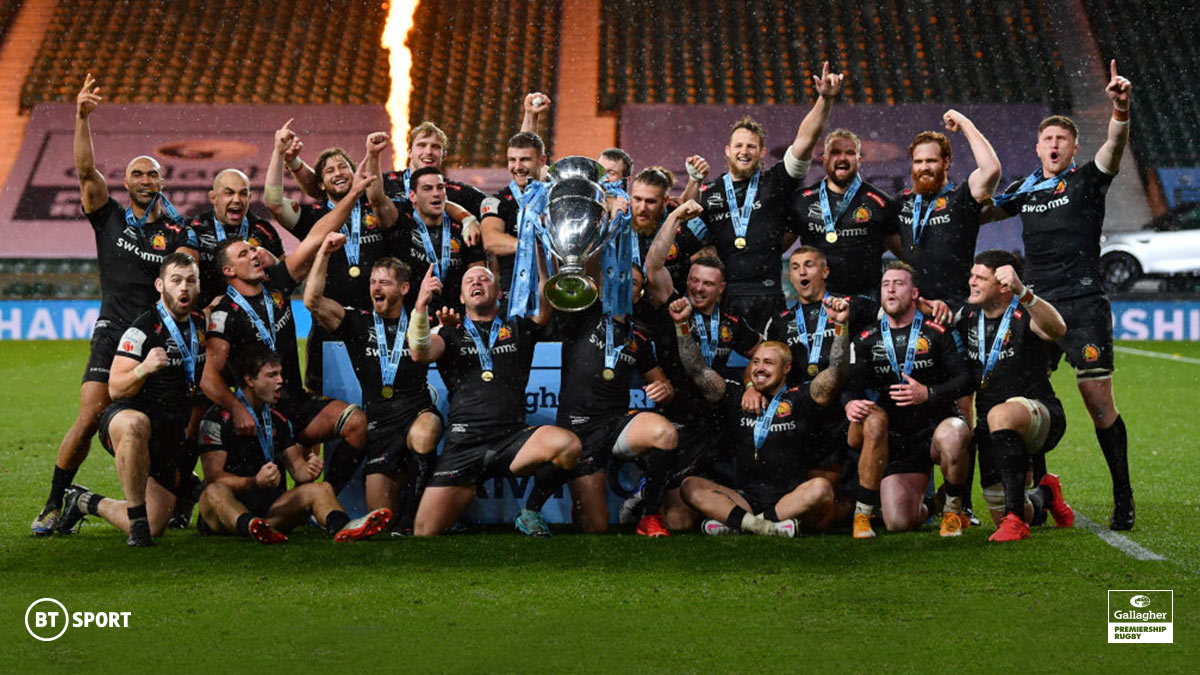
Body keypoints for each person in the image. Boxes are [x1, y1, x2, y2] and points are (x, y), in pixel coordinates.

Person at [33, 74, 199, 536]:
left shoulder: (177, 233)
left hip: (160, 337)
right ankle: (54, 501)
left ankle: (172, 498)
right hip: (113, 333)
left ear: (162, 181)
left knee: (176, 420)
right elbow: (86, 172)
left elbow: (197, 273)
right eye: (138, 174)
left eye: (153, 174)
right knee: (89, 418)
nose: (146, 179)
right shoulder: (108, 217)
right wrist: (82, 117)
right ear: (125, 182)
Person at [987, 61, 1135, 530]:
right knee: (1022, 396)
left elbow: (1114, 146)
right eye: (1047, 139)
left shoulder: (1088, 180)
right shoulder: (1024, 191)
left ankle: (1123, 497)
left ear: (1073, 147)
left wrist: (1120, 108)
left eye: (1062, 140)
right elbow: (981, 213)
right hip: (1034, 305)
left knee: (1097, 404)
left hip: (1083, 304)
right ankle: (1039, 487)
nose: (1053, 145)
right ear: (1037, 148)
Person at [201, 166, 376, 494]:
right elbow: (208, 376)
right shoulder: (224, 314)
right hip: (259, 412)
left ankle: (328, 496)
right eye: (244, 254)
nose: (255, 254)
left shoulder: (278, 284)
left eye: (254, 249)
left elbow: (316, 235)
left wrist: (353, 195)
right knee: (273, 490)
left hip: (294, 401)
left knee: (357, 423)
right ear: (228, 270)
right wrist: (239, 409)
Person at [407, 263, 581, 537]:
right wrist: (420, 304)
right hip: (464, 444)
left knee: (568, 445)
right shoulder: (448, 332)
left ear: (499, 292)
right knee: (424, 532)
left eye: (484, 279)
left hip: (510, 441)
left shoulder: (518, 328)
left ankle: (531, 512)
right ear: (462, 297)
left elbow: (545, 302)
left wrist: (539, 253)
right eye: (469, 280)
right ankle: (457, 504)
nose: (477, 282)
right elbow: (419, 353)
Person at [671, 290, 852, 536]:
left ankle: (740, 524)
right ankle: (763, 526)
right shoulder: (736, 396)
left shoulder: (801, 397)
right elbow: (697, 371)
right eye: (755, 362)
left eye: (768, 362)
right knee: (690, 487)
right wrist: (682, 325)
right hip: (744, 498)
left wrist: (840, 325)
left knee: (821, 489)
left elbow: (836, 373)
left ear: (787, 368)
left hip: (790, 499)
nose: (759, 368)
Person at [56, 254, 205, 546]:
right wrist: (143, 368)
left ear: (199, 285)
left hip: (168, 436)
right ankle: (137, 524)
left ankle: (84, 501)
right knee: (136, 423)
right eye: (176, 281)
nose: (184, 287)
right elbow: (115, 388)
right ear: (160, 285)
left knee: (158, 525)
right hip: (126, 419)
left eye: (190, 280)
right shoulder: (142, 329)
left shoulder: (201, 325)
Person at [305, 238, 441, 535]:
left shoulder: (419, 323)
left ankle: (410, 523)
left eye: (384, 283)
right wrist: (324, 254)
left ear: (404, 289)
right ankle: (406, 514)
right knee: (381, 516)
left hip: (416, 415)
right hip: (380, 428)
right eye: (373, 282)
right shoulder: (357, 323)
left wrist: (422, 307)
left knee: (426, 429)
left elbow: (428, 346)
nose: (375, 288)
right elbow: (312, 301)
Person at [693, 62, 842, 329]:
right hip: (723, 298)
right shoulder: (709, 192)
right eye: (738, 145)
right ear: (727, 150)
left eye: (751, 146)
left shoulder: (776, 181)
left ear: (762, 152)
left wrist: (825, 99)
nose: (744, 151)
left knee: (773, 365)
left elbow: (805, 139)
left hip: (770, 296)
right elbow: (685, 233)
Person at [196, 345, 392, 543]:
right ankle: (250, 526)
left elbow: (297, 470)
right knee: (213, 491)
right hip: (225, 512)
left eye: (280, 374)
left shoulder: (277, 418)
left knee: (321, 488)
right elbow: (214, 478)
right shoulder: (215, 418)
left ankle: (344, 528)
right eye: (272, 375)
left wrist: (310, 469)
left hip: (270, 511)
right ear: (249, 380)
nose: (280, 381)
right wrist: (253, 481)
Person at [843, 262, 974, 538]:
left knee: (956, 433)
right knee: (898, 523)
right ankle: (931, 505)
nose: (890, 289)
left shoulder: (938, 332)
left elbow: (965, 380)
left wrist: (929, 394)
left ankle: (953, 510)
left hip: (935, 430)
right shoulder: (866, 339)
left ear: (914, 293)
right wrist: (850, 403)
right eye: (885, 284)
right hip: (895, 439)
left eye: (898, 284)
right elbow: (850, 387)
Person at [264, 123, 397, 393]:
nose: (338, 173)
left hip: (377, 323)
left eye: (343, 166)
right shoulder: (313, 217)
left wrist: (371, 160)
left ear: (355, 172)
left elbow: (379, 195)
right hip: (327, 326)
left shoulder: (376, 207)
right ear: (320, 184)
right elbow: (274, 203)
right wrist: (280, 153)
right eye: (329, 170)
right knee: (326, 398)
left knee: (379, 396)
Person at [956, 251, 1075, 542]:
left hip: (1041, 415)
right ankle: (1045, 494)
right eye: (972, 275)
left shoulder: (1024, 314)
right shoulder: (967, 317)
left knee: (1001, 412)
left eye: (980, 278)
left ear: (1003, 286)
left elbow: (1058, 329)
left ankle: (1016, 522)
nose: (971, 282)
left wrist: (1024, 293)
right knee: (999, 510)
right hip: (992, 427)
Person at [553, 265, 679, 536]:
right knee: (595, 527)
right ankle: (582, 500)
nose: (625, 285)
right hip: (579, 432)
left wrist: (664, 390)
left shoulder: (640, 336)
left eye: (633, 283)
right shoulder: (583, 314)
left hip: (615, 427)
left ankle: (650, 515)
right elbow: (579, 274)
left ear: (638, 295)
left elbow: (662, 383)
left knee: (665, 433)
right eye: (618, 278)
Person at [894, 110, 1001, 308]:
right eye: (918, 161)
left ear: (946, 162)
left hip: (957, 306)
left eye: (931, 161)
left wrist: (965, 123)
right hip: (914, 308)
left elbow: (991, 169)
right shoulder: (902, 201)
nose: (924, 167)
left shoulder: (961, 197)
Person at [789, 129, 900, 298]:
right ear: (824, 159)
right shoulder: (802, 201)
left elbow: (906, 254)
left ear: (859, 160)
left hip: (866, 304)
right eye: (835, 153)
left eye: (849, 153)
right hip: (818, 306)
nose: (842, 158)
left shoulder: (881, 203)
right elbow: (775, 250)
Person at [390, 166, 487, 314]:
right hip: (409, 319)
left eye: (440, 188)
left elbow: (479, 276)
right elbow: (377, 200)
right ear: (412, 196)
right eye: (427, 188)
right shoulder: (401, 224)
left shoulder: (464, 230)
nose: (436, 193)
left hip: (456, 319)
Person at [192, 169, 286, 310]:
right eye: (229, 193)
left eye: (243, 193)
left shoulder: (264, 230)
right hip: (207, 319)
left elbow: (287, 280)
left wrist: (276, 263)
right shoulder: (195, 229)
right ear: (213, 197)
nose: (236, 200)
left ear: (249, 197)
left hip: (257, 318)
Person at [479, 131, 549, 292]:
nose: (517, 167)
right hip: (515, 298)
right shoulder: (498, 201)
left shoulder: (556, 198)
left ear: (542, 161)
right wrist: (535, 247)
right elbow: (491, 240)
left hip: (558, 294)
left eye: (525, 159)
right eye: (512, 160)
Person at [628, 167, 708, 294]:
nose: (642, 208)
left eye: (650, 201)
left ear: (665, 201)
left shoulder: (684, 224)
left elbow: (709, 267)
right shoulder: (618, 223)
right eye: (637, 199)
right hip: (629, 306)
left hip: (673, 305)